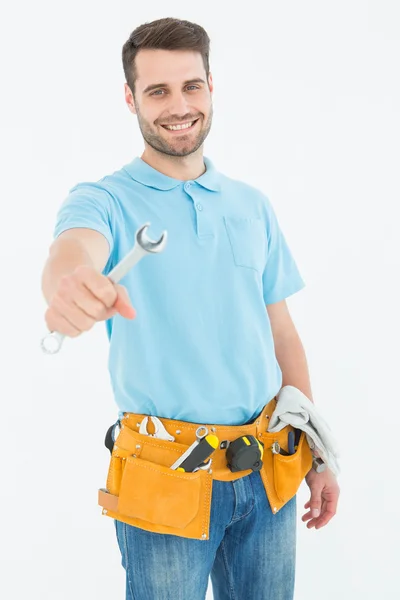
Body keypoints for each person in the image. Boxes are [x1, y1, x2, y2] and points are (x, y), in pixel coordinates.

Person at [41, 17, 340, 600]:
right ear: (130, 99)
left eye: (191, 86)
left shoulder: (251, 206)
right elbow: (74, 250)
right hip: (166, 477)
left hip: (269, 471)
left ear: (210, 88)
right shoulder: (103, 199)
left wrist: (316, 453)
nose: (178, 106)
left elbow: (282, 334)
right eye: (157, 91)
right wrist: (70, 281)